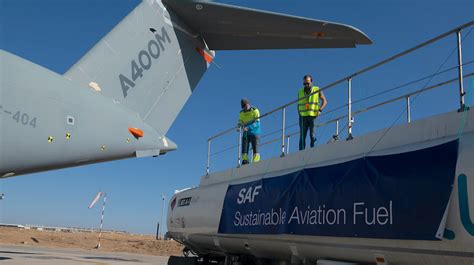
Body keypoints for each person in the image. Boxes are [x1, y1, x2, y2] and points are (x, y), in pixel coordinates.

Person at [298, 75, 327, 150]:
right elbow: (298, 104)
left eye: (308, 83)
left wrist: (320, 110)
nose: (306, 85)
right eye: (304, 84)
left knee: (312, 135)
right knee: (302, 137)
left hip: (313, 116)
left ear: (311, 82)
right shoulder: (300, 91)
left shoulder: (317, 89)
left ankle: (312, 150)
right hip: (303, 116)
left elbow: (325, 101)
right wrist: (299, 114)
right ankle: (301, 152)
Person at [238, 98, 261, 165]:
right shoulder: (241, 113)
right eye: (242, 106)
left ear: (248, 104)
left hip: (255, 132)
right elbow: (240, 121)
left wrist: (249, 128)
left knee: (255, 147)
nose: (244, 108)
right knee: (244, 147)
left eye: (245, 105)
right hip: (246, 133)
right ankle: (245, 161)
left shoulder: (255, 110)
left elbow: (257, 122)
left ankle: (256, 162)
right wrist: (239, 126)